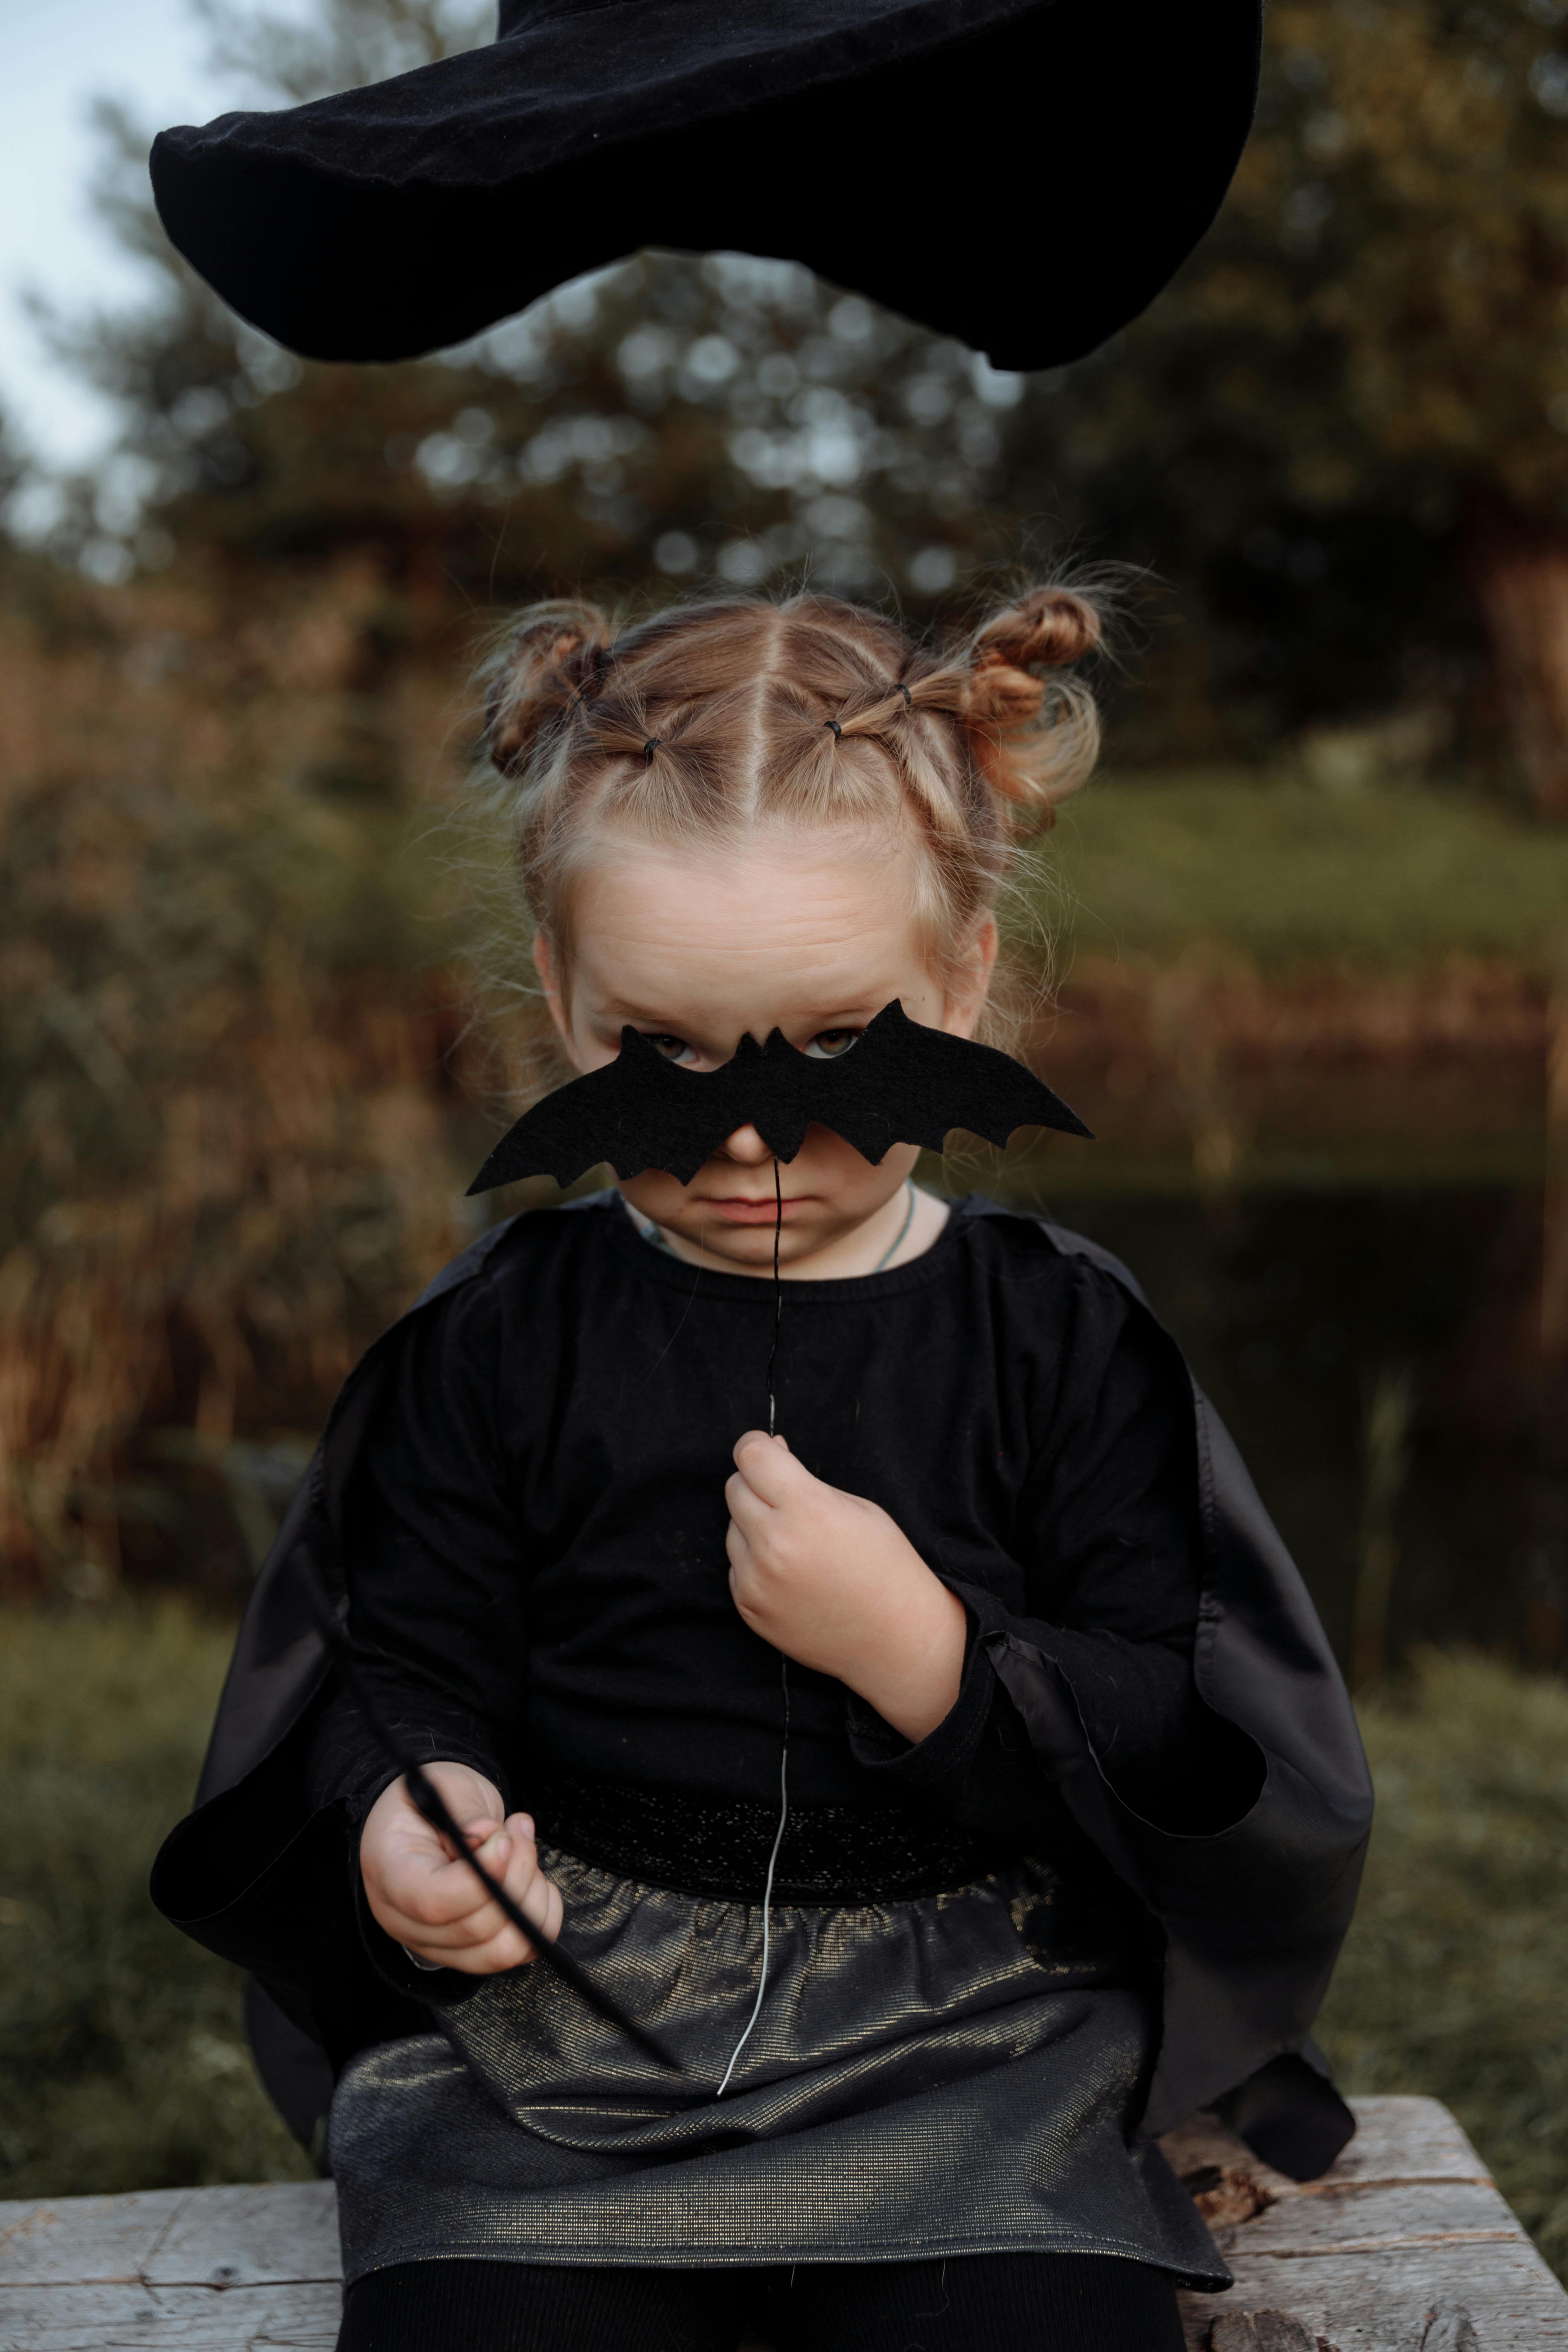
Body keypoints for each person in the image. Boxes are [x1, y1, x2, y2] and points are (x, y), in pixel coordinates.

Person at [153, 584, 1373, 2352]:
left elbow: (1192, 1734)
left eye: (834, 1051)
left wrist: (935, 1655)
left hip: (981, 2034)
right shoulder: (496, 1336)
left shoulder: (1063, 1339)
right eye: (654, 1053)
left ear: (959, 984)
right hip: (564, 2043)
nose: (741, 1136)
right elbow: (394, 1650)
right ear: (560, 996)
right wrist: (411, 1803)